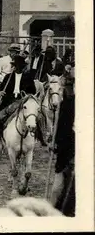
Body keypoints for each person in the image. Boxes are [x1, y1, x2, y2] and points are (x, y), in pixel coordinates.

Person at [0, 54, 43, 150]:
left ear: (22, 67)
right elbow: (2, 89)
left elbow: (33, 91)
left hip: (23, 101)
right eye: (15, 66)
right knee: (0, 118)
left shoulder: (28, 77)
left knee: (35, 116)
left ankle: (40, 136)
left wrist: (26, 96)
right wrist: (1, 92)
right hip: (9, 102)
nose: (17, 68)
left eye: (19, 66)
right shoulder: (8, 77)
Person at [50, 66, 75, 216]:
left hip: (75, 150)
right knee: (58, 186)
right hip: (65, 149)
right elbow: (60, 127)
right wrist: (54, 142)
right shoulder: (65, 104)